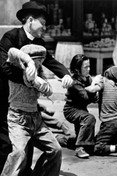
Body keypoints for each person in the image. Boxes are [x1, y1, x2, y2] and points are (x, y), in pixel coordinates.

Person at [0, 1, 72, 174]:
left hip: (28, 102)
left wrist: (66, 74)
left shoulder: (39, 42)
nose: (45, 27)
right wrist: (32, 80)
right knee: (7, 144)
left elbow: (50, 60)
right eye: (43, 23)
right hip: (5, 97)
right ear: (30, 20)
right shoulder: (11, 37)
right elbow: (4, 66)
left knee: (30, 142)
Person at [1, 44, 61, 176]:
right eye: (36, 61)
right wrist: (29, 62)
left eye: (40, 62)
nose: (38, 65)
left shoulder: (39, 76)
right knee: (19, 153)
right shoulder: (14, 69)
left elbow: (49, 90)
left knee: (55, 150)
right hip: (18, 119)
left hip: (36, 119)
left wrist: (38, 82)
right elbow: (11, 51)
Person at [63, 54, 102, 159]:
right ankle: (79, 148)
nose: (88, 69)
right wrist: (94, 85)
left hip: (81, 109)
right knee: (89, 118)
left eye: (89, 66)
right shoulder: (74, 82)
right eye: (85, 67)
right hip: (71, 110)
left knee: (79, 135)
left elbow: (94, 98)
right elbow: (85, 97)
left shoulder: (87, 79)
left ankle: (59, 139)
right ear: (77, 69)